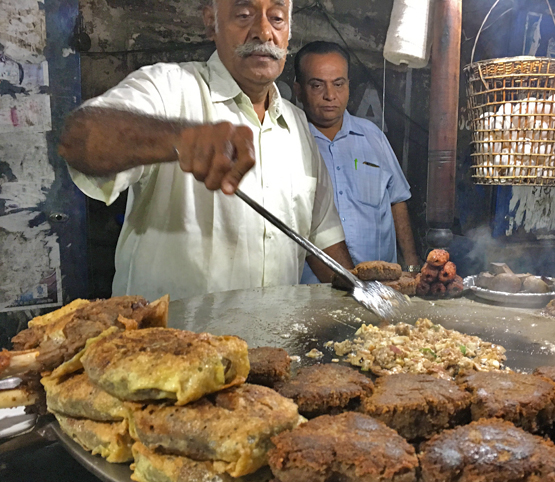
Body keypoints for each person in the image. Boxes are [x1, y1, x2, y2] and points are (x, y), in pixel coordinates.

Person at [59, 0, 354, 302]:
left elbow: (321, 238)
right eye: (243, 15)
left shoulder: (298, 124)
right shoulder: (169, 88)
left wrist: (363, 295)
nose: (263, 32)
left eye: (277, 18)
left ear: (289, 32)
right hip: (165, 345)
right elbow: (81, 139)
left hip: (273, 346)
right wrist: (179, 137)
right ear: (211, 22)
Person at [293, 41, 421, 284]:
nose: (330, 95)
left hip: (382, 288)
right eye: (317, 85)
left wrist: (413, 265)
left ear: (348, 86)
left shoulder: (373, 137)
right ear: (298, 90)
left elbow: (397, 201)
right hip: (314, 291)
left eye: (338, 84)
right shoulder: (290, 141)